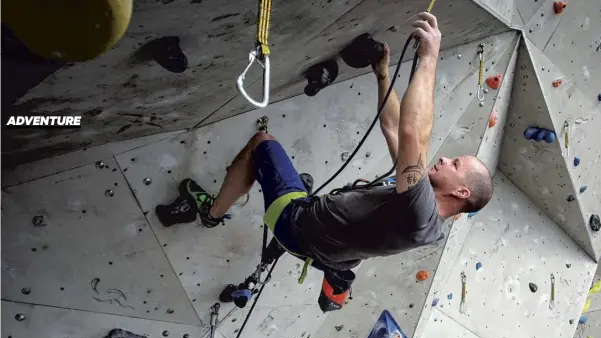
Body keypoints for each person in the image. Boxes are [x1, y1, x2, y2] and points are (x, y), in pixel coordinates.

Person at [156, 12, 493, 311]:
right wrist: (382, 74)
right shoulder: (421, 211)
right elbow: (393, 127)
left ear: (462, 193)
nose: (446, 159)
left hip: (296, 223)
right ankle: (335, 267)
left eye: (456, 164)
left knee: (262, 143)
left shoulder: (421, 213)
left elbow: (411, 131)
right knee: (358, 199)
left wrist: (429, 57)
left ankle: (211, 214)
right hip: (326, 245)